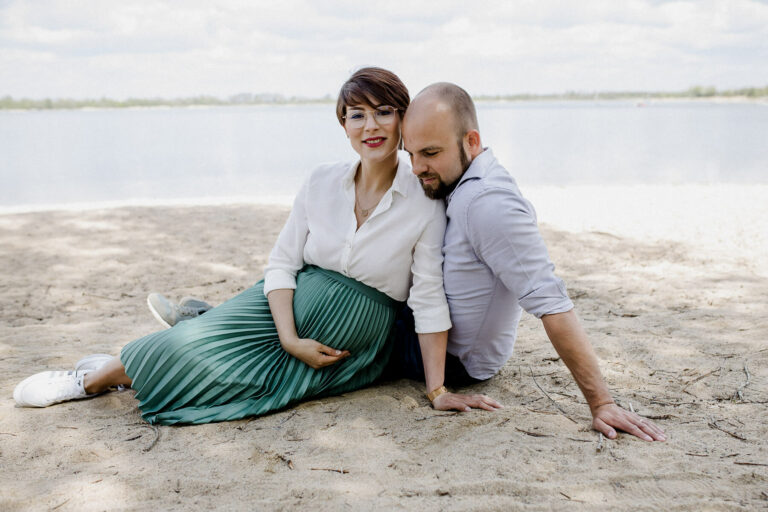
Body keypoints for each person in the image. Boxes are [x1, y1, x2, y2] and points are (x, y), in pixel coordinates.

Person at [151, 82, 666, 442]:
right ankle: (210, 320)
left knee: (331, 292)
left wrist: (601, 403)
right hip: (418, 326)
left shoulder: (488, 205)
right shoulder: (456, 181)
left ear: (472, 142)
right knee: (324, 277)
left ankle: (204, 326)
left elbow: (550, 303)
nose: (417, 168)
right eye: (412, 153)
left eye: (431, 154)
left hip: (441, 355)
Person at [12, 68, 501, 424]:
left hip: (354, 336)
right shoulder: (320, 182)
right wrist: (289, 336)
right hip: (285, 306)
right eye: (356, 115)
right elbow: (283, 263)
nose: (370, 126)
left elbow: (429, 294)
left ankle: (129, 361)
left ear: (402, 122)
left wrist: (436, 389)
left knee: (233, 382)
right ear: (343, 125)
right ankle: (89, 380)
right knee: (191, 345)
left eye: (383, 113)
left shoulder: (423, 199)